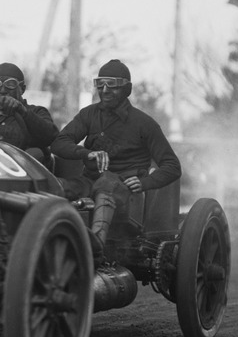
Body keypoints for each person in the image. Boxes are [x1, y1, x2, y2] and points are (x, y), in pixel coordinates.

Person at [51, 59, 182, 257]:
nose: (104, 90)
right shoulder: (89, 114)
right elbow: (59, 143)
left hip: (125, 190)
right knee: (54, 186)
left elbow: (172, 166)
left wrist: (145, 182)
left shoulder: (145, 124)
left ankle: (94, 251)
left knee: (106, 184)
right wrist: (86, 153)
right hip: (89, 182)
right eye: (100, 84)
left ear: (127, 89)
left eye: (112, 85)